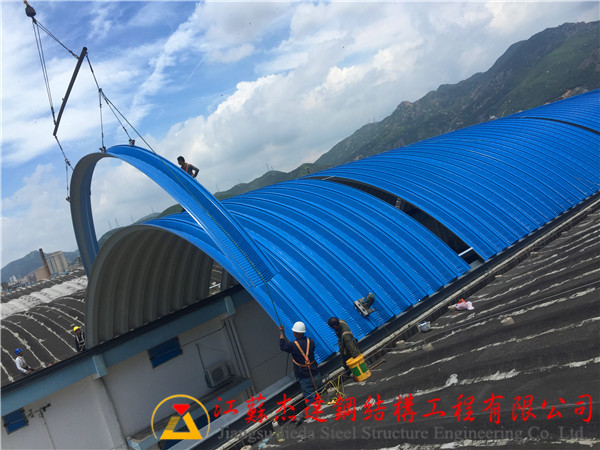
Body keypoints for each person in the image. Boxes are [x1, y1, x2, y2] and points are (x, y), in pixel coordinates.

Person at [279, 321, 322, 425]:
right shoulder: (311, 342)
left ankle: (316, 417)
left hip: (304, 376)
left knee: (310, 399)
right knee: (321, 393)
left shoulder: (293, 345)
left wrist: (281, 333)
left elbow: (283, 346)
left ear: (296, 333)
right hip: (315, 372)